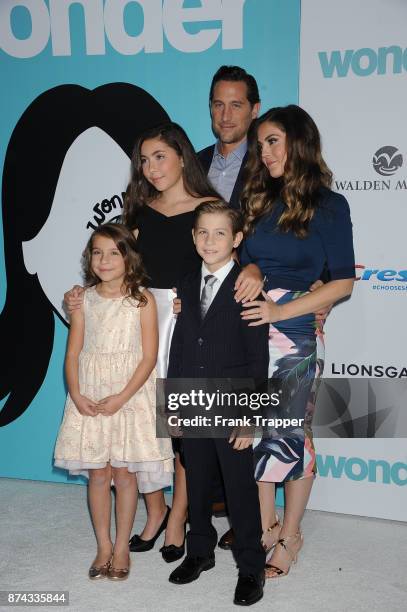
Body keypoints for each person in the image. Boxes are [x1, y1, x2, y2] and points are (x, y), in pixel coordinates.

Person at [239, 105, 355, 578]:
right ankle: (264, 522)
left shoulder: (329, 205)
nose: (263, 152)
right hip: (250, 327)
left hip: (296, 332)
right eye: (260, 144)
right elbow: (246, 258)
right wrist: (248, 268)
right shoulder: (260, 201)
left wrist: (282, 311)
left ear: (299, 142)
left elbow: (343, 282)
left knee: (291, 435)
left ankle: (291, 534)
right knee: (253, 429)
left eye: (272, 141)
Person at [54, 223, 173, 580]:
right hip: (90, 394)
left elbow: (149, 356)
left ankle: (122, 547)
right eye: (97, 252)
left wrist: (122, 397)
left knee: (124, 475)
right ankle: (103, 546)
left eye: (113, 252)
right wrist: (76, 394)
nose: (104, 260)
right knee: (97, 474)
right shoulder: (83, 299)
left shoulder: (142, 299)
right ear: (89, 259)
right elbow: (73, 353)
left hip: (129, 397)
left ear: (128, 257)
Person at [167, 201, 268, 606]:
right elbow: (179, 347)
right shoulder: (186, 284)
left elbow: (259, 358)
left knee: (240, 489)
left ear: (237, 239)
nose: (210, 241)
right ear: (193, 238)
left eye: (220, 233)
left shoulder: (248, 287)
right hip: (192, 400)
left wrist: (250, 416)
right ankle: (199, 552)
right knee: (197, 483)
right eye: (203, 233)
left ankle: (250, 567)